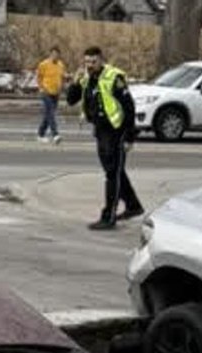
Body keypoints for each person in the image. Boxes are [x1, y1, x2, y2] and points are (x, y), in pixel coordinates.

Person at [66, 46, 143, 231]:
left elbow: (129, 107)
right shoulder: (86, 78)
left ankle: (109, 217)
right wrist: (75, 82)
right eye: (87, 62)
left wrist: (130, 137)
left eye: (93, 62)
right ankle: (133, 206)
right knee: (115, 172)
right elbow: (71, 100)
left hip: (117, 131)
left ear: (101, 60)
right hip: (101, 131)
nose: (89, 65)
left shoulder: (114, 77)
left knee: (112, 175)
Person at [35, 46, 66, 144]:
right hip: (46, 92)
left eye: (57, 54)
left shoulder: (61, 65)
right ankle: (55, 134)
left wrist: (65, 82)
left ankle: (40, 134)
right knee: (51, 113)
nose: (55, 56)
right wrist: (41, 88)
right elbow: (39, 76)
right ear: (50, 54)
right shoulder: (43, 64)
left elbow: (62, 77)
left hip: (56, 93)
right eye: (53, 54)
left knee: (48, 115)